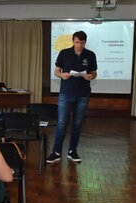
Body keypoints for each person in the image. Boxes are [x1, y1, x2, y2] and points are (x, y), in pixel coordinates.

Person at [46, 31, 97, 164]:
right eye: (76, 42)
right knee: (62, 122)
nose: (79, 45)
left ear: (85, 42)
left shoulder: (90, 55)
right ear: (72, 41)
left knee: (78, 123)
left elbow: (94, 73)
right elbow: (56, 71)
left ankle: (72, 151)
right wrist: (61, 75)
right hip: (66, 93)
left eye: (82, 42)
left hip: (83, 94)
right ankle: (56, 152)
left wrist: (91, 76)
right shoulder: (64, 53)